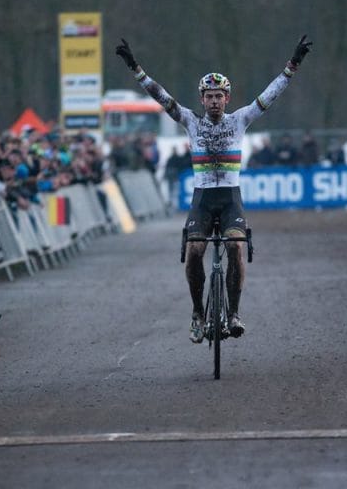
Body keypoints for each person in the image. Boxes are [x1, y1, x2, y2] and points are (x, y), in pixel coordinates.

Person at [116, 34, 312, 343]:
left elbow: (269, 96)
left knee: (235, 247)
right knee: (195, 250)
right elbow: (162, 97)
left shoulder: (240, 120)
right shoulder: (191, 122)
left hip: (231, 198)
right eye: (209, 96)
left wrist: (292, 66)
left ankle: (233, 313)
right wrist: (136, 69)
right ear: (202, 100)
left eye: (219, 96)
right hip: (203, 200)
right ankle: (197, 313)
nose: (215, 101)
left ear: (227, 99)